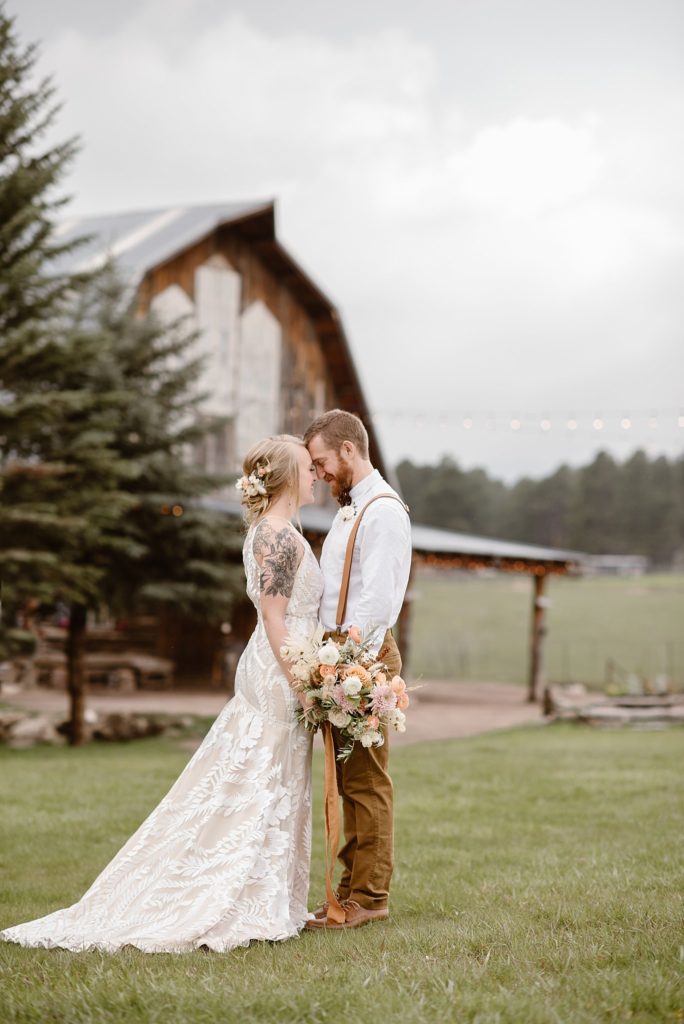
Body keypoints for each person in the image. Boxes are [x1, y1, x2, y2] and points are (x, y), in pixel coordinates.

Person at [0, 435, 322, 954]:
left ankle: (270, 894)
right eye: (309, 467)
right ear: (286, 477)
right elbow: (275, 616)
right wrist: (304, 683)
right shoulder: (279, 536)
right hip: (281, 669)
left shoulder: (278, 530)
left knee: (272, 778)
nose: (317, 476)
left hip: (280, 663)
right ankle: (233, 896)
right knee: (260, 778)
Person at [303, 409, 412, 930]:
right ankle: (346, 891)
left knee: (367, 783)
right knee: (347, 781)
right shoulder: (351, 509)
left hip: (361, 657)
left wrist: (347, 664)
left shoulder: (384, 511)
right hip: (338, 655)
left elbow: (376, 603)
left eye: (322, 462)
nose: (319, 473)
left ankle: (369, 897)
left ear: (348, 450)